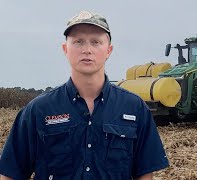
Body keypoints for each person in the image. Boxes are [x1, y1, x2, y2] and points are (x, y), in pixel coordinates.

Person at [0, 11, 169, 180]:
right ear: (65, 49)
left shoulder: (135, 108)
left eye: (95, 42)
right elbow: (10, 174)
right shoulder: (38, 110)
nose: (87, 50)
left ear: (109, 50)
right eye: (78, 42)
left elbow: (144, 174)